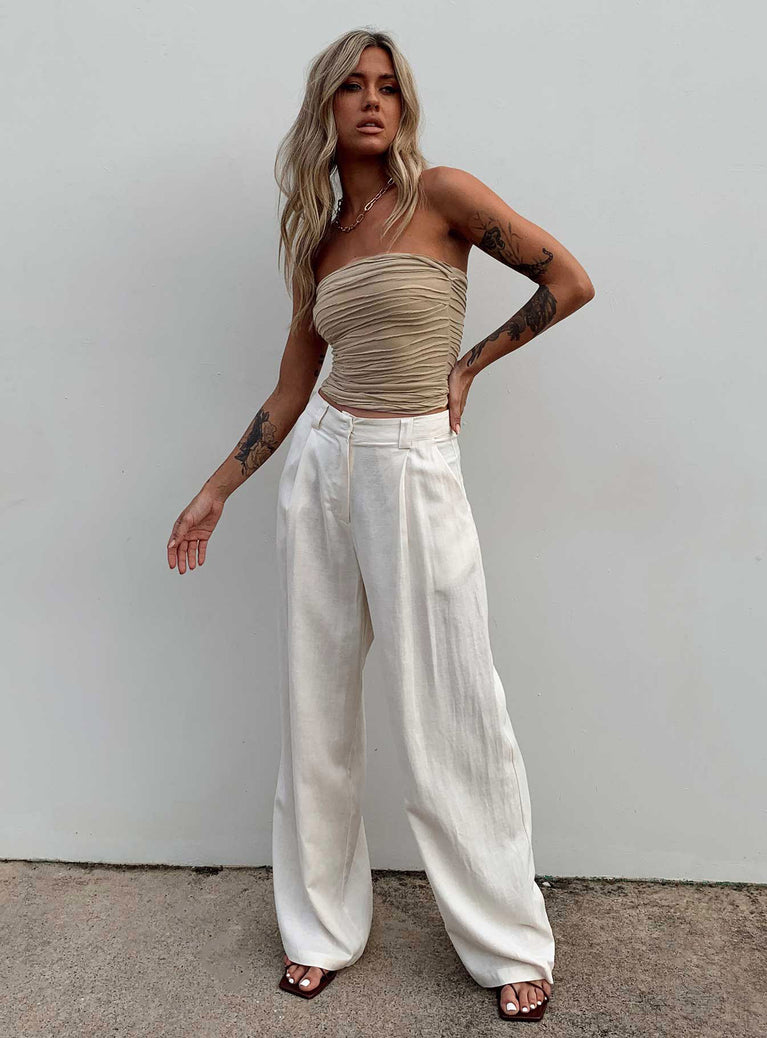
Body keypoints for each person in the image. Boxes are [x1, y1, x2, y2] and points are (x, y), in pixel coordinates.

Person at [166, 28, 594, 1023]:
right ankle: (317, 928)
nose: (372, 101)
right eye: (353, 86)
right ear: (325, 105)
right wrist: (216, 488)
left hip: (412, 463)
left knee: (453, 707)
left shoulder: (442, 195)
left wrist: (469, 364)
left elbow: (568, 282)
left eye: (388, 87)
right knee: (315, 707)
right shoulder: (317, 241)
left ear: (404, 106)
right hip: (321, 463)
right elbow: (290, 389)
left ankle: (506, 939)